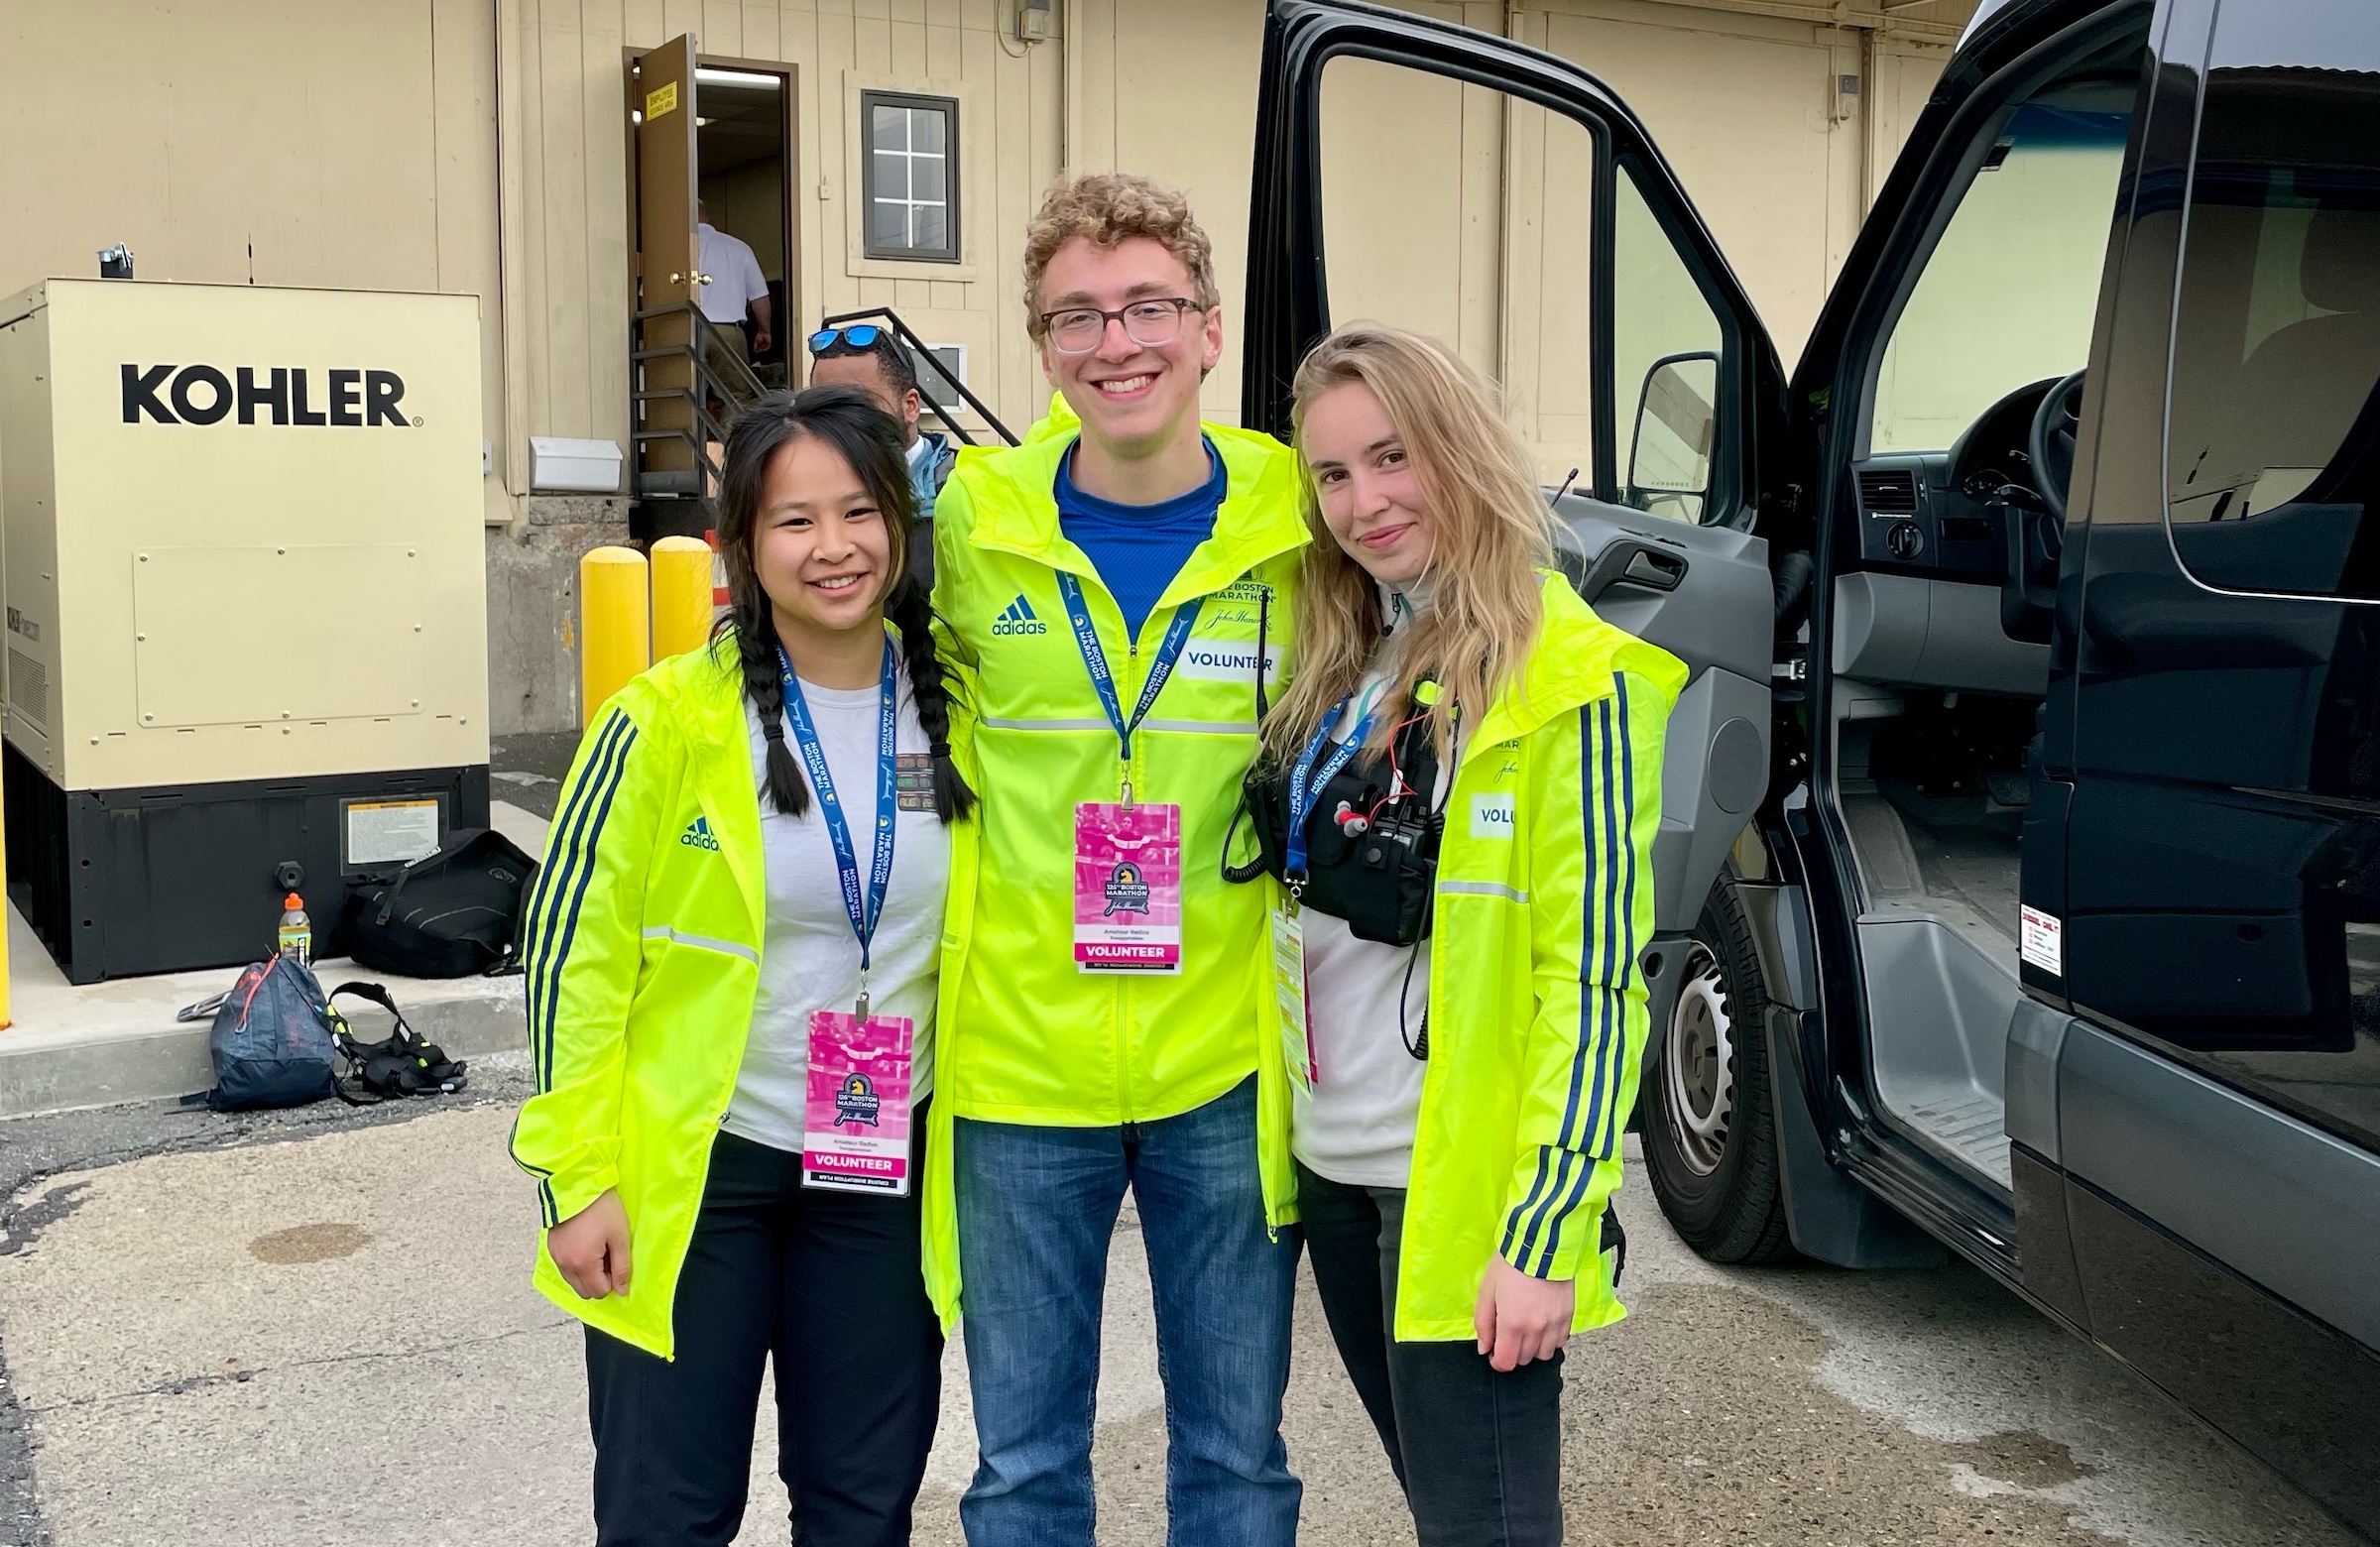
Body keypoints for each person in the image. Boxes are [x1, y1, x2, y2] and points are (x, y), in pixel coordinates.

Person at [509, 385, 974, 1546]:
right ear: (742, 546)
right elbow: (574, 956)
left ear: (902, 529)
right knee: (669, 1512)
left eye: (860, 512)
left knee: (862, 1509)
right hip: (695, 1169)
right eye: (794, 521)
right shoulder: (664, 721)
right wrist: (577, 1176)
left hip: (877, 1163)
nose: (834, 548)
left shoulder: (958, 706)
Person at [1248, 323, 1685, 1546]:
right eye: (1332, 475)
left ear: (1461, 451)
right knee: (1449, 1512)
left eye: (1394, 458)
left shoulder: (1573, 682)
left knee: (1485, 1527)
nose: (1365, 503)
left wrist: (1545, 1234)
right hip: (1337, 1168)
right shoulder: (1339, 658)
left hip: (1459, 1197)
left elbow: (1594, 983)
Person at [924, 172, 1309, 1547]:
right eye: (1075, 316)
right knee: (1023, 1467)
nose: (1116, 342)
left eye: (1148, 305)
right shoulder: (972, 522)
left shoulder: (1301, 518)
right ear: (1041, 348)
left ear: (1209, 329)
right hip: (1022, 1062)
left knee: (1238, 1458)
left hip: (1228, 1059)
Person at [809, 322, 959, 583]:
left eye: (861, 404)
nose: (839, 421)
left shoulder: (967, 489)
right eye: (823, 406)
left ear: (911, 406)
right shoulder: (794, 493)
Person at [698, 199, 774, 361]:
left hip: (684, 331)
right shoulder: (739, 248)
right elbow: (759, 296)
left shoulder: (671, 251)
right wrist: (764, 331)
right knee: (732, 386)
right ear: (705, 216)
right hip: (728, 334)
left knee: (680, 384)